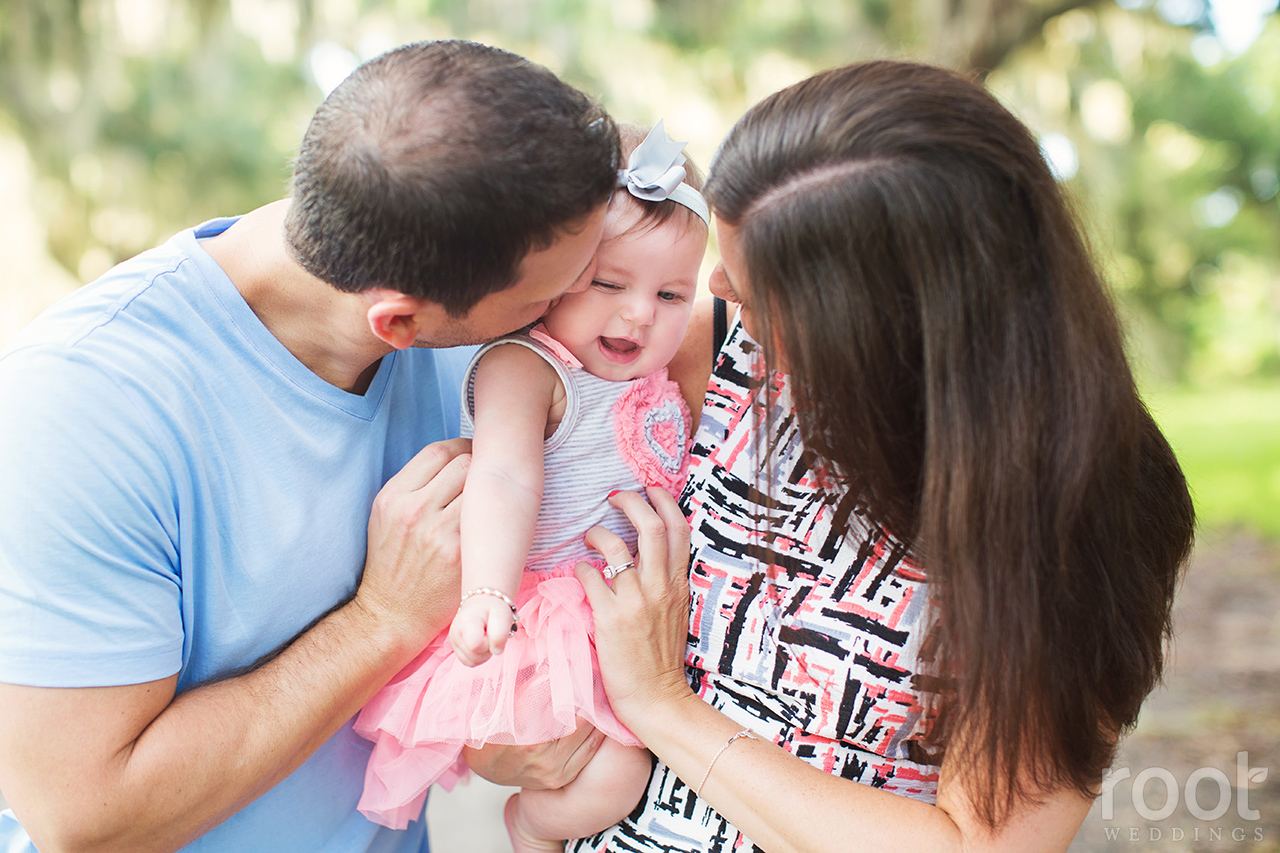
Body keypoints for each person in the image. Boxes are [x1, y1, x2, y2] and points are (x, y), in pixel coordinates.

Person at [555, 60, 1196, 852]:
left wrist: (661, 704)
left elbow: (980, 843)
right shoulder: (712, 349)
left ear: (890, 328)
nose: (716, 285)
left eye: (758, 286)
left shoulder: (1090, 508)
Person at [0, 40, 620, 853]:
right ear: (400, 323)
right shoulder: (84, 412)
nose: (575, 316)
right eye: (550, 297)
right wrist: (382, 622)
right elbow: (87, 816)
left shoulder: (462, 296)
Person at [354, 123, 710, 852]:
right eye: (608, 283)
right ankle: (532, 830)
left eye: (671, 293)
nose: (640, 313)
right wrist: (489, 591)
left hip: (630, 611)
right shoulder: (530, 366)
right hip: (549, 612)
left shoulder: (655, 372)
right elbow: (503, 474)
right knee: (619, 772)